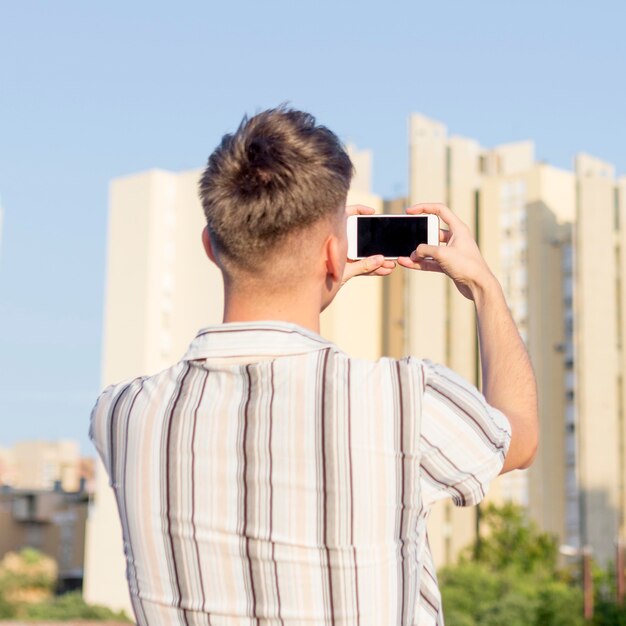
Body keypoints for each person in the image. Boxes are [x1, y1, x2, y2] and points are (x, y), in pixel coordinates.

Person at [90, 106, 538, 625]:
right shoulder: (403, 401)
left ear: (211, 247)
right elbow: (520, 437)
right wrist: (485, 287)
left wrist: (315, 274)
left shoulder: (121, 415)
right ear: (334, 253)